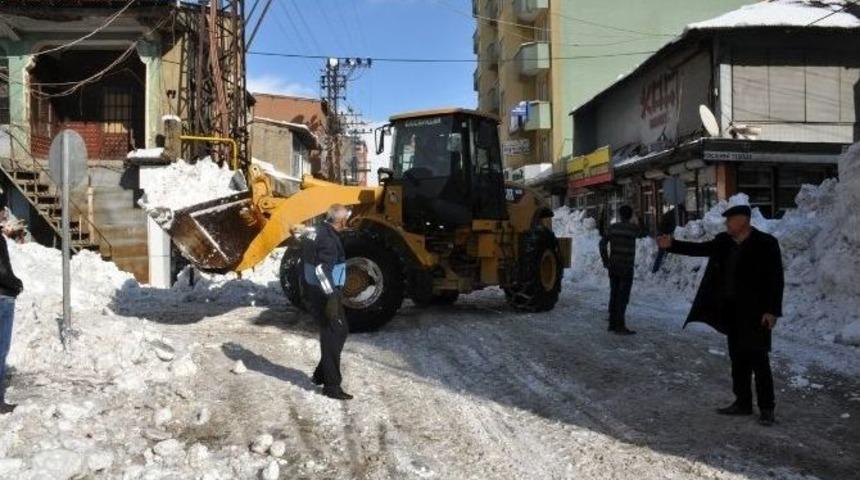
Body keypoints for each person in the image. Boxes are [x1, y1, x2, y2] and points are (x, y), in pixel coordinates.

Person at [657, 203, 783, 426]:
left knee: (759, 360)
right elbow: (700, 249)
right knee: (738, 359)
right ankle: (742, 402)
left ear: (742, 220)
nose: (726, 224)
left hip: (756, 313)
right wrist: (672, 245)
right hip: (731, 311)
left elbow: (776, 279)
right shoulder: (723, 242)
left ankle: (767, 408)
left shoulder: (766, 243)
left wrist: (772, 311)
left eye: (729, 220)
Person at [302, 204, 352, 400]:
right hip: (325, 294)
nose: (348, 222)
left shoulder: (317, 230)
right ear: (340, 221)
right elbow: (322, 270)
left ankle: (320, 374)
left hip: (314, 290)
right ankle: (332, 386)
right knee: (335, 333)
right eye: (346, 219)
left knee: (338, 331)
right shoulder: (329, 240)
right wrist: (331, 296)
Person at [599, 205, 639, 335]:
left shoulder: (613, 228)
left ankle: (612, 323)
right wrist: (637, 218)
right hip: (626, 267)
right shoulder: (633, 229)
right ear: (630, 215)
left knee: (614, 294)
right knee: (623, 297)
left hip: (614, 266)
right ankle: (620, 326)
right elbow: (644, 232)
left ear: (620, 215)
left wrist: (606, 260)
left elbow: (602, 243)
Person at [0, 192, 23, 414]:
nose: (4, 212)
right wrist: (16, 284)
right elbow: (2, 272)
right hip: (3, 297)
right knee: (1, 350)